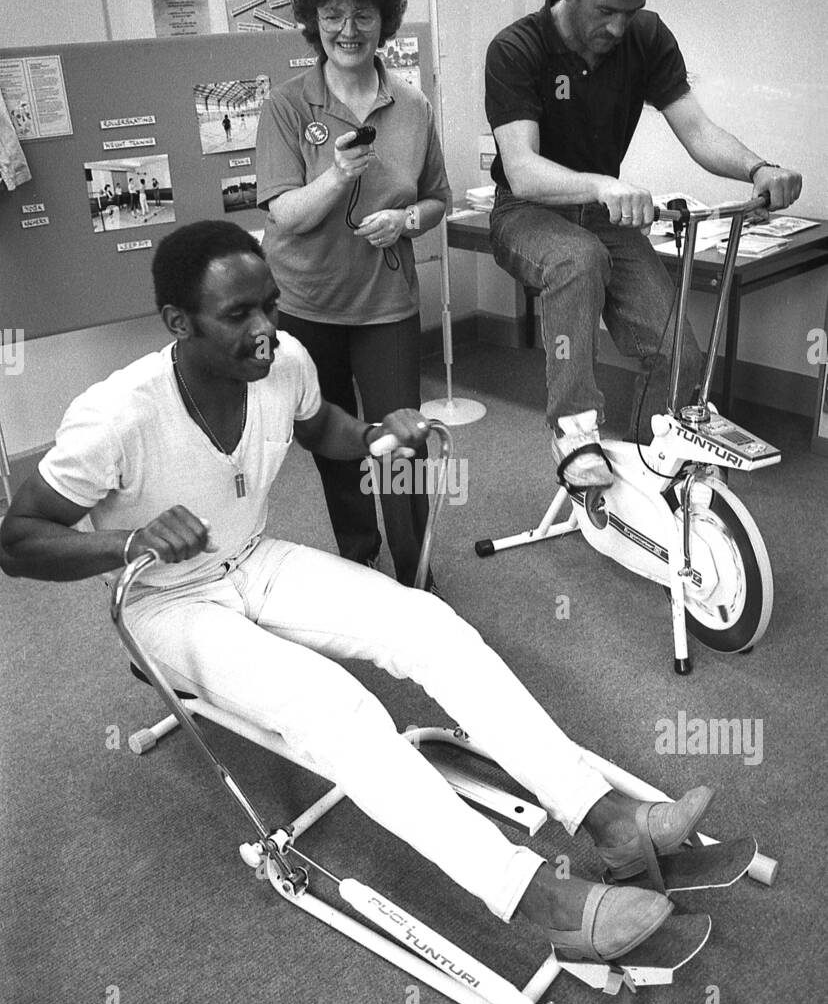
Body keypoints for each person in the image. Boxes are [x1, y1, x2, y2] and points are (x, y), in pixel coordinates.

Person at [0, 220, 714, 965]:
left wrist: (380, 436)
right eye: (238, 315)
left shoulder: (284, 363)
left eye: (270, 307)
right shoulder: (115, 416)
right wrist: (128, 544)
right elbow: (16, 541)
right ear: (178, 323)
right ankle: (536, 897)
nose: (265, 331)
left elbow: (327, 430)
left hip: (253, 557)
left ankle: (606, 820)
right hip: (164, 602)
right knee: (331, 706)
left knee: (426, 622)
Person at [485, 0, 802, 488]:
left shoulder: (646, 37)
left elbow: (699, 131)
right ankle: (575, 432)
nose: (618, 28)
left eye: (632, 12)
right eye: (606, 10)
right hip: (528, 214)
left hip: (607, 215)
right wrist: (604, 182)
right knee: (579, 260)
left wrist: (759, 169)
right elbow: (523, 170)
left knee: (676, 350)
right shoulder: (517, 48)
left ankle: (657, 468)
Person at [256, 0, 452, 587]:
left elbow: (437, 202)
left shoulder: (414, 105)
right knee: (335, 439)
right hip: (307, 303)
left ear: (383, 21)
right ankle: (360, 558)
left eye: (363, 13)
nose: (348, 28)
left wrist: (405, 220)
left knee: (404, 440)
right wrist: (338, 176)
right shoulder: (287, 106)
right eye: (334, 14)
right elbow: (284, 213)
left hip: (386, 302)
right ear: (313, 21)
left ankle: (415, 571)